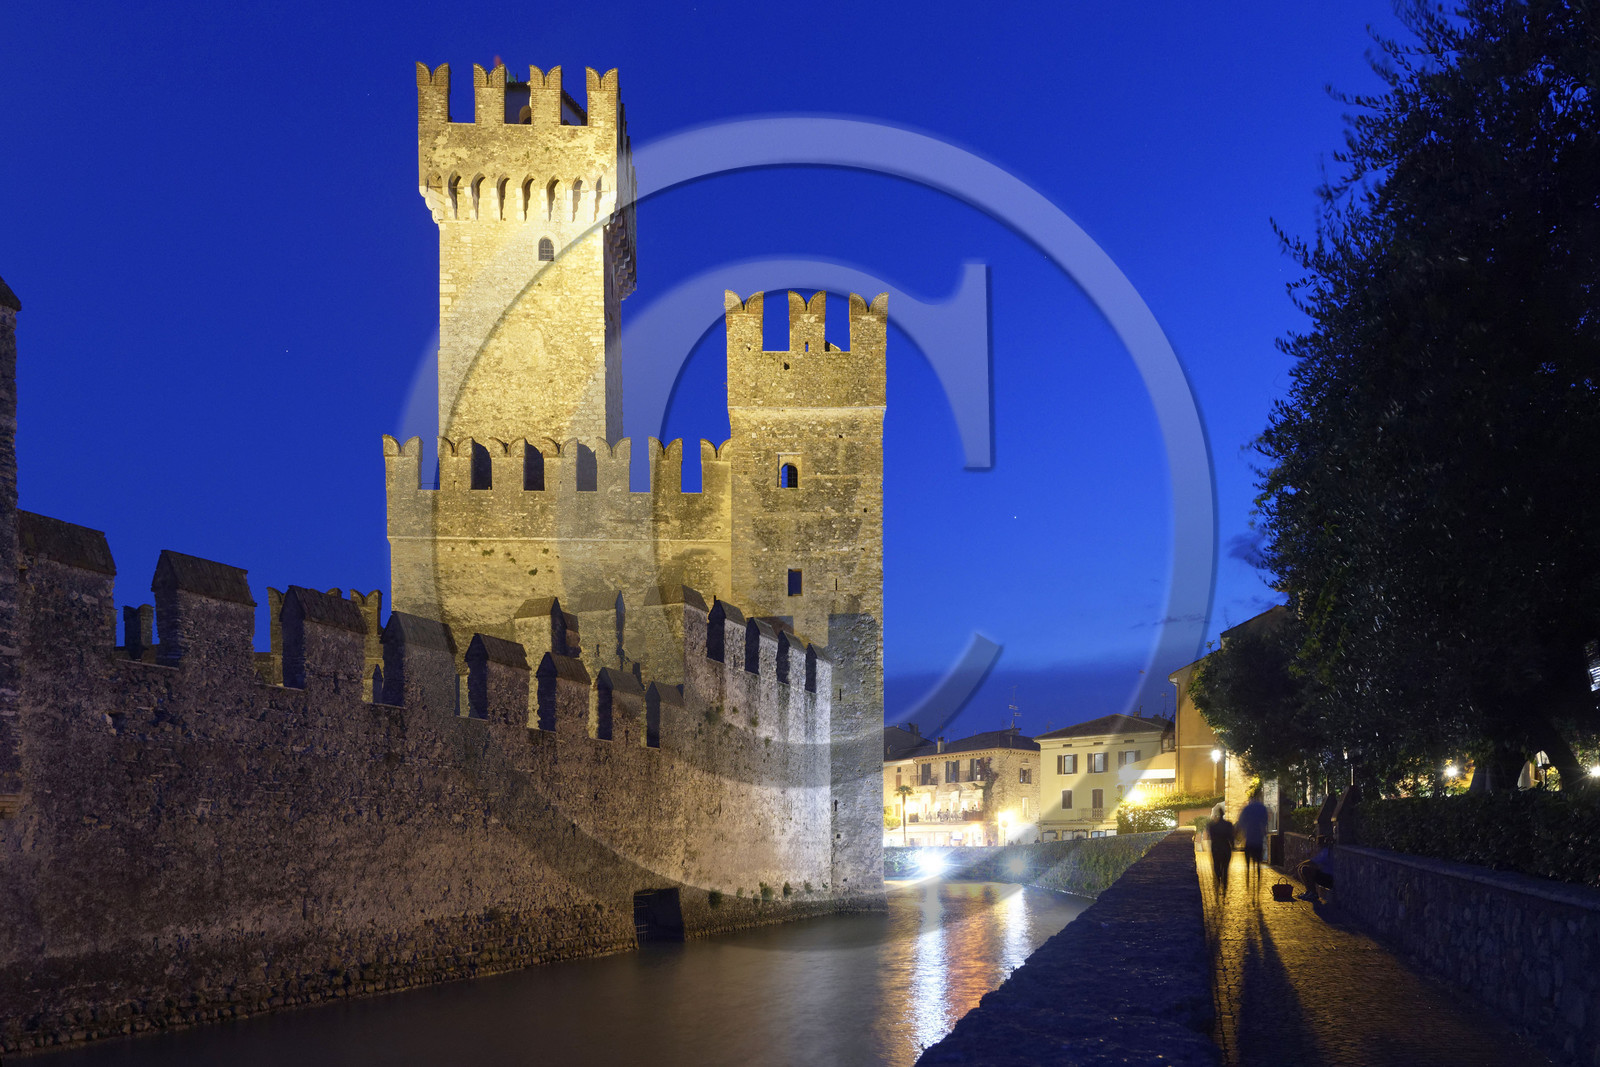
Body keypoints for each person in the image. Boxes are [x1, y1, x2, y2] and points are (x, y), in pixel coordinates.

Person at [1237, 789, 1270, 891]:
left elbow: (1241, 822)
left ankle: (1248, 883)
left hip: (1249, 840)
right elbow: (1265, 822)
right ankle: (1258, 885)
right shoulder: (1262, 808)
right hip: (1258, 840)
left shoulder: (1247, 809)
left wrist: (1243, 833)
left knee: (1247, 864)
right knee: (1258, 864)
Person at [1205, 803, 1234, 898]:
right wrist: (1233, 846)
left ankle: (1218, 881)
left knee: (1217, 866)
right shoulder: (1228, 825)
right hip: (1226, 848)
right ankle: (1224, 888)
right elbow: (1231, 838)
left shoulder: (1212, 826)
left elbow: (1211, 836)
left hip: (1216, 848)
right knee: (1225, 868)